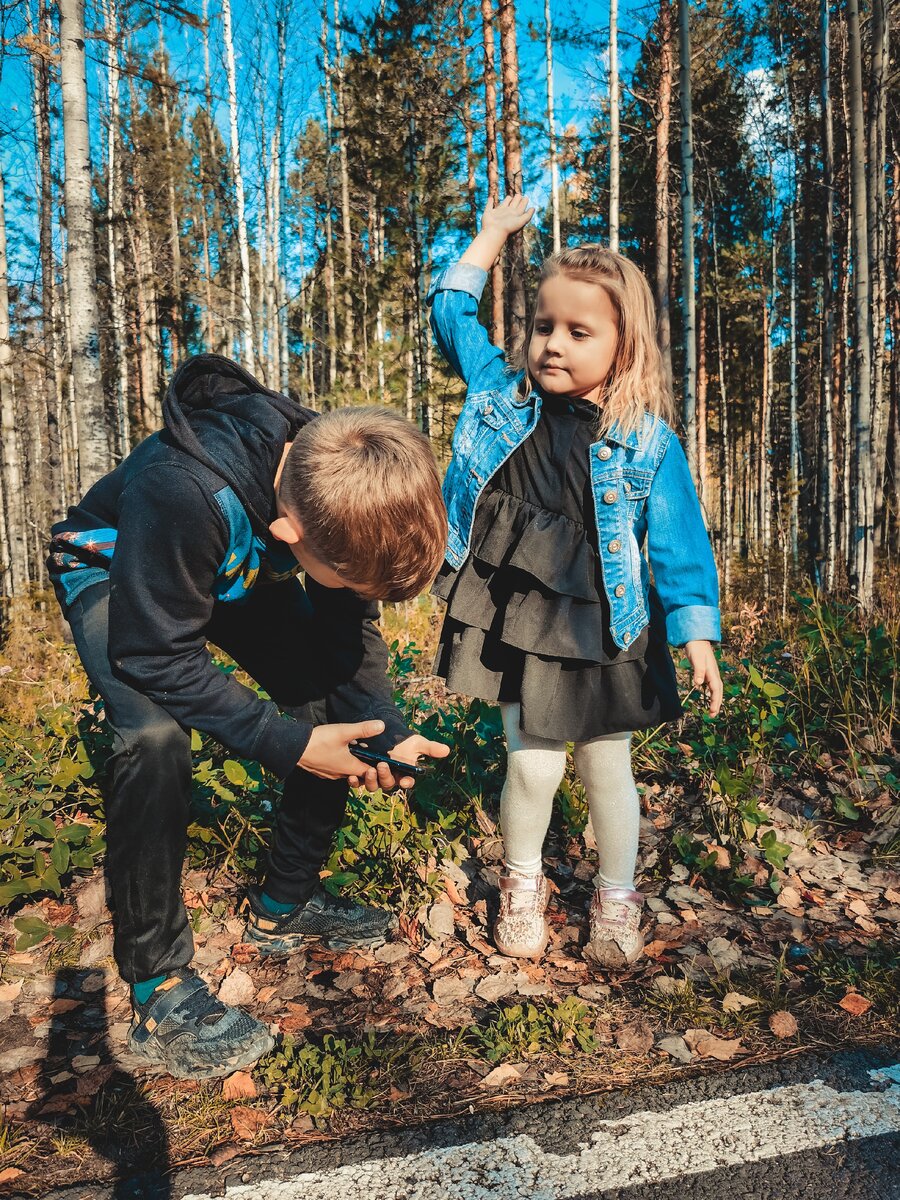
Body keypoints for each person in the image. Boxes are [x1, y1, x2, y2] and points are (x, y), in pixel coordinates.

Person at [48, 354, 449, 1079]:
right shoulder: (184, 489)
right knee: (154, 736)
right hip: (118, 569)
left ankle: (280, 907)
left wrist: (382, 727)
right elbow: (154, 654)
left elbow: (346, 638)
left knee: (331, 703)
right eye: (351, 581)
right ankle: (156, 987)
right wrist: (288, 743)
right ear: (295, 539)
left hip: (225, 563)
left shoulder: (331, 483)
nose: (360, 597)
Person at [428, 195, 723, 967]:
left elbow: (679, 542)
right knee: (531, 762)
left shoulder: (645, 440)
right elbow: (454, 311)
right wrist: (492, 234)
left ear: (624, 347)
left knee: (605, 767)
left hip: (607, 619)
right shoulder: (498, 395)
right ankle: (523, 885)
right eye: (543, 326)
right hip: (520, 615)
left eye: (578, 331)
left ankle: (615, 898)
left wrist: (696, 631)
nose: (553, 344)